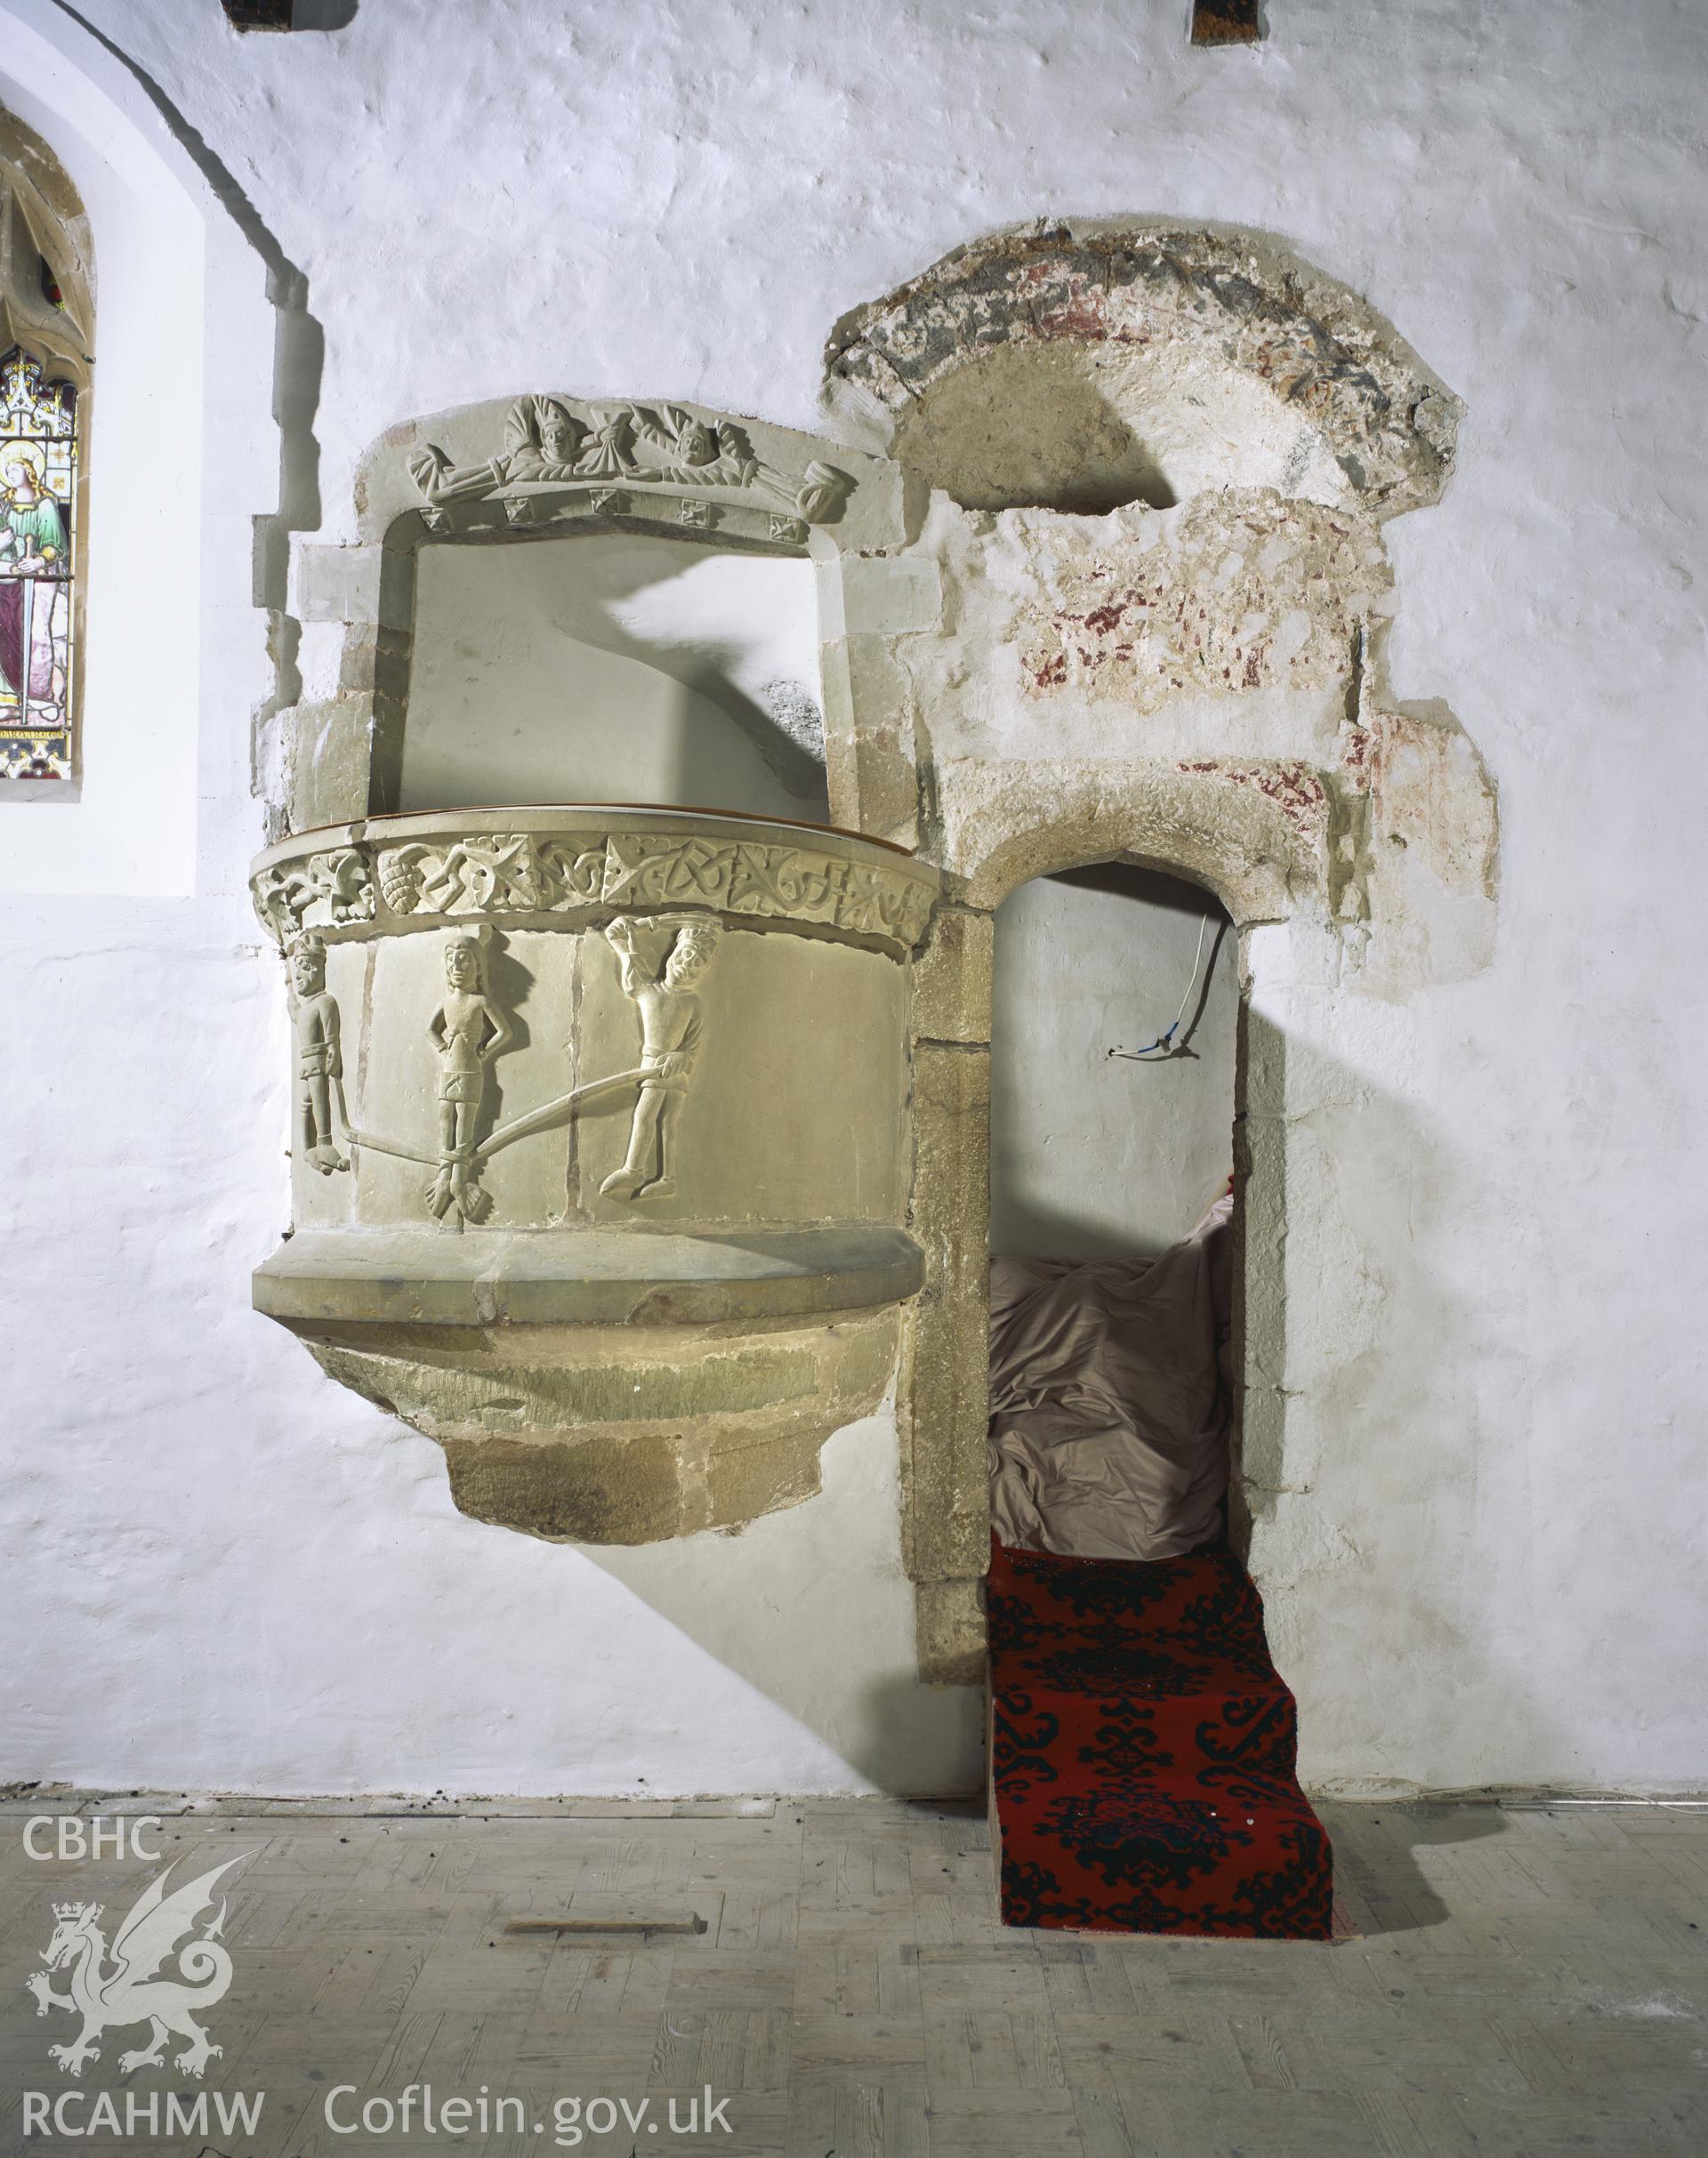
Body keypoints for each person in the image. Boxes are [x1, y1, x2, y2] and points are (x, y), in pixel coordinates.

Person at [600, 915, 721, 1201]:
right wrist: (623, 936)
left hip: (673, 1071)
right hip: (652, 1066)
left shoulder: (693, 1003)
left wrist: (682, 1058)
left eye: (697, 964)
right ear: (671, 956)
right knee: (649, 1117)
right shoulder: (649, 991)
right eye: (684, 957)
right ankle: (643, 1172)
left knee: (664, 1121)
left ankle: (657, 1175)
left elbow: (693, 1046)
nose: (687, 966)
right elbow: (627, 958)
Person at [425, 935, 513, 1221]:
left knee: (464, 1124)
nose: (457, 964)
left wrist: (485, 1050)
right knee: (444, 1120)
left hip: (471, 1069)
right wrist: (442, 1045)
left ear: (478, 966)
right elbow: (430, 1030)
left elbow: (505, 1032)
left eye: (464, 958)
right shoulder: (446, 1002)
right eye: (451, 958)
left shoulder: (479, 1001)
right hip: (449, 1068)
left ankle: (458, 1180)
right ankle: (443, 1178)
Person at [290, 936, 348, 1176]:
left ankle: (325, 1144)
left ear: (318, 969)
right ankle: (308, 1149)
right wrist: (288, 991)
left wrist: (334, 1052)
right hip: (306, 1061)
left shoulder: (325, 1001)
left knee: (320, 1102)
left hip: (318, 1060)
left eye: (304, 968)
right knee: (306, 1104)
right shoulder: (307, 1007)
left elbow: (331, 1032)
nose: (298, 977)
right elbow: (296, 1015)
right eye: (296, 969)